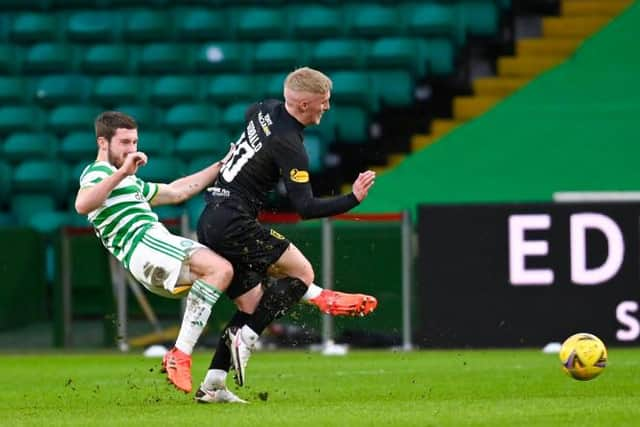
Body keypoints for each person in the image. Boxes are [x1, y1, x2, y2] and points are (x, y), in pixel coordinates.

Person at [194, 67, 377, 404]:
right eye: (323, 102)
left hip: (209, 218)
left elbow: (251, 116)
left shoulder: (265, 109)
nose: (327, 107)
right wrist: (353, 199)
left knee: (252, 303)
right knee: (302, 272)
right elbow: (304, 207)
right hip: (234, 221)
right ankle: (247, 338)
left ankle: (212, 386)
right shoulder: (290, 144)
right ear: (304, 104)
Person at [74, 111, 236, 397]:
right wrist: (123, 171)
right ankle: (181, 354)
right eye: (124, 142)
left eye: (135, 142)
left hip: (154, 252)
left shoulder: (131, 183)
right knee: (221, 269)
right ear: (103, 142)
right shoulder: (98, 173)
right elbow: (83, 204)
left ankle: (203, 373)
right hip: (146, 246)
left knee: (229, 268)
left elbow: (175, 192)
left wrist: (221, 165)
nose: (132, 149)